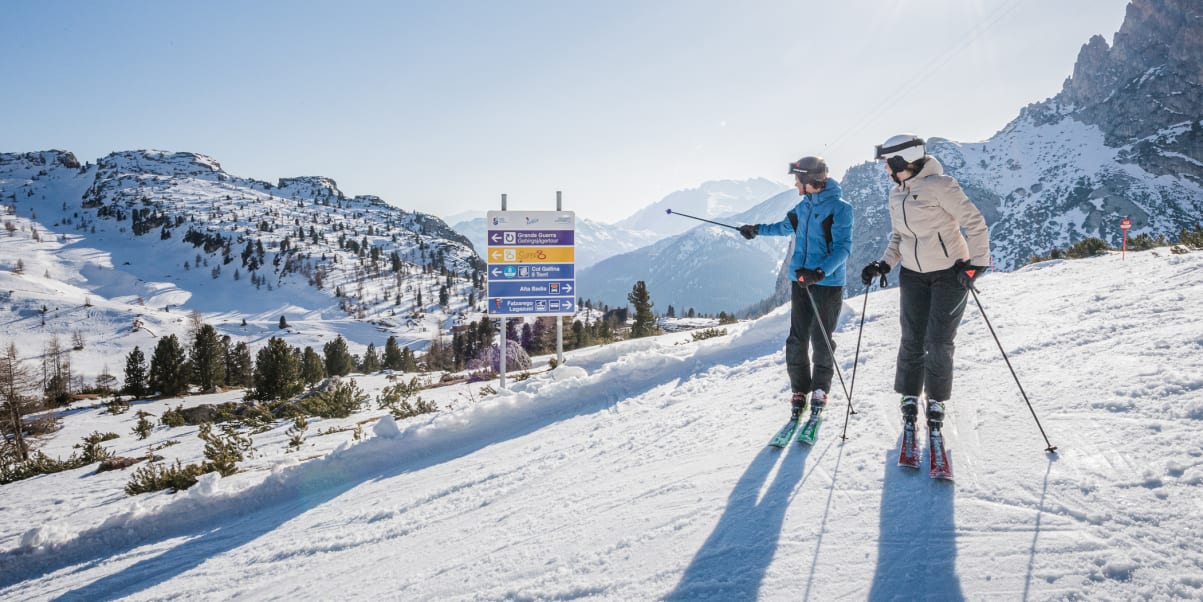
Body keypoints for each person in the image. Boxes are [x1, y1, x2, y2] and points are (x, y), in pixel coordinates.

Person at [860, 134, 990, 431]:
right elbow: (899, 237)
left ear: (900, 161)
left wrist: (976, 265)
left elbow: (974, 222)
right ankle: (908, 395)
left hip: (950, 273)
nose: (885, 171)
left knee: (939, 341)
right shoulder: (896, 194)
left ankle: (936, 401)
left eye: (887, 164)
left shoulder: (940, 186)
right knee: (911, 338)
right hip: (912, 275)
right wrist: (884, 264)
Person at [738, 156, 853, 421]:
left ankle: (820, 390)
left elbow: (842, 249)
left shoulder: (840, 208)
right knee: (796, 339)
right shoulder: (803, 207)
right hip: (801, 281)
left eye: (797, 179)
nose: (794, 183)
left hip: (826, 284)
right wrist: (755, 230)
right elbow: (782, 227)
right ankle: (800, 390)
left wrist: (819, 272)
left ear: (808, 179)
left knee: (821, 340)